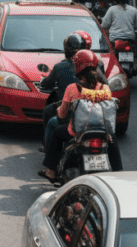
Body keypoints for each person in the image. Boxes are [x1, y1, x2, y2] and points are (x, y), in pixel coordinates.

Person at [41, 49, 122, 180]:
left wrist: (59, 111)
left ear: (77, 67)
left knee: (57, 133)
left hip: (77, 132)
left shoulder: (73, 88)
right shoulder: (104, 88)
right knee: (112, 138)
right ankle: (119, 172)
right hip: (102, 130)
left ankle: (51, 170)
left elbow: (61, 115)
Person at [38, 33, 84, 148]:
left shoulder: (61, 68)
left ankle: (48, 150)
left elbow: (47, 83)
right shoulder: (98, 67)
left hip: (72, 113)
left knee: (50, 117)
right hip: (93, 112)